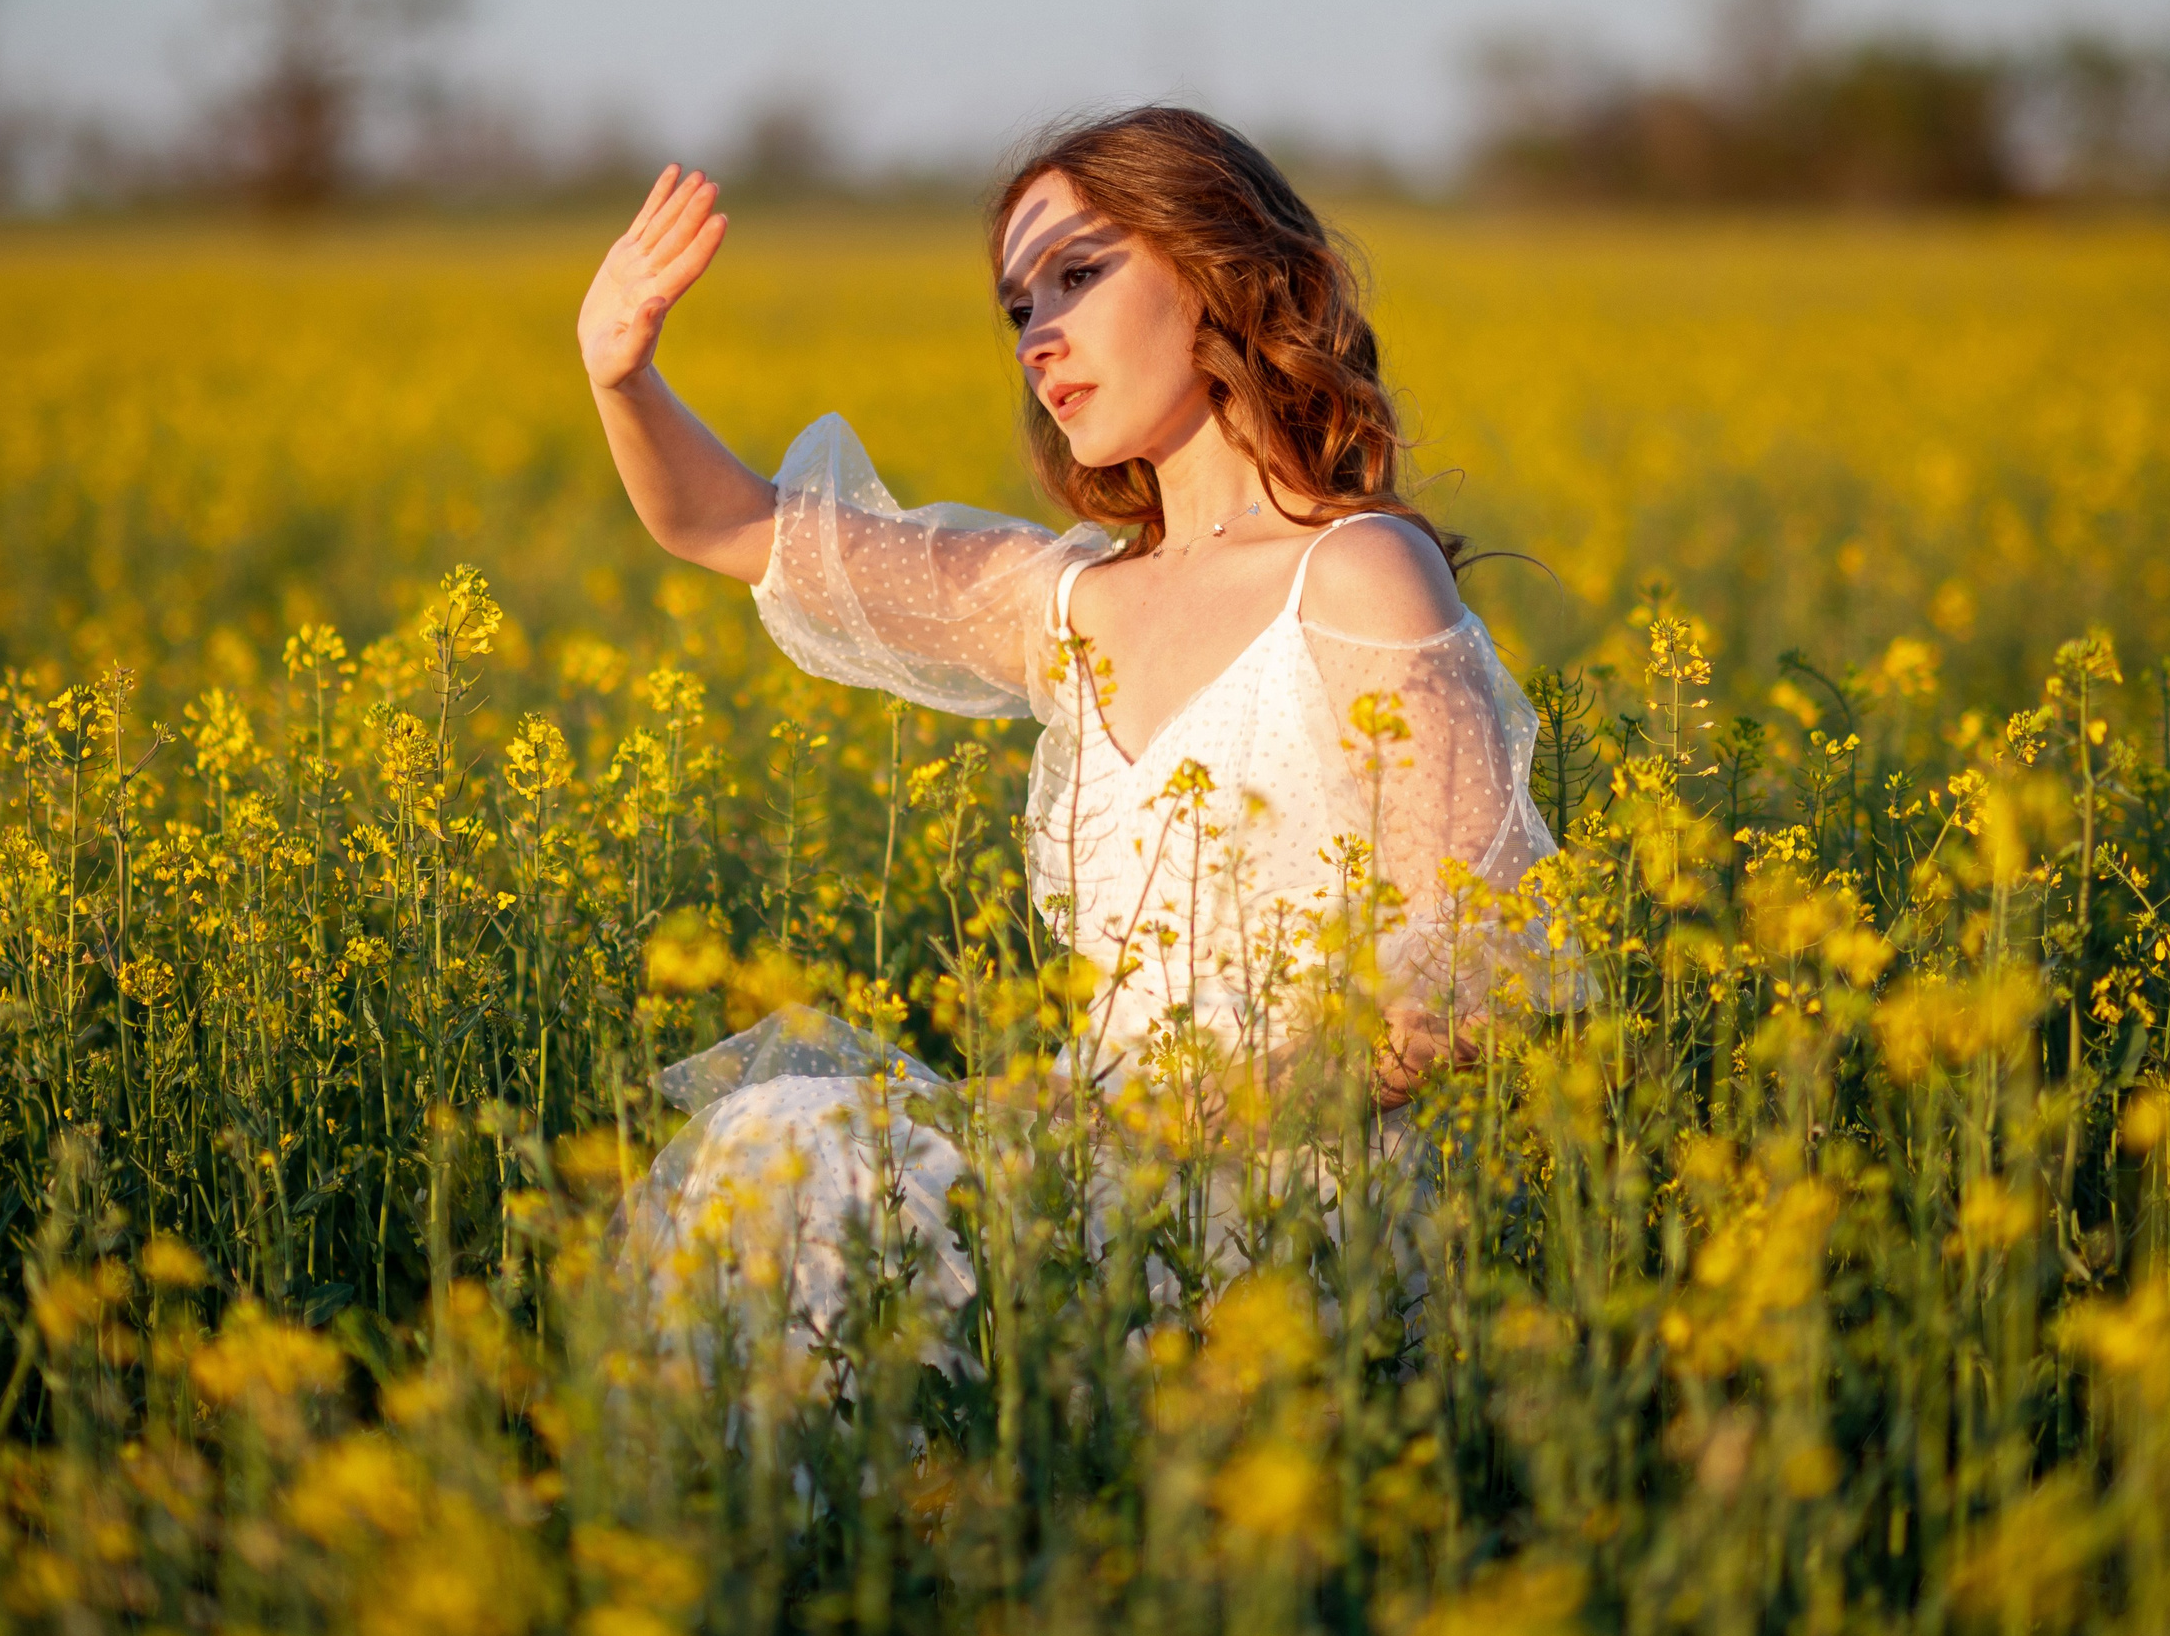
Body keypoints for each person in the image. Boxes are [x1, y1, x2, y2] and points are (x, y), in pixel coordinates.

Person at [579, 106, 1559, 1360]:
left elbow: (1475, 985)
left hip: (1295, 1209)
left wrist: (1175, 1117)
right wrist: (622, 373)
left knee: (828, 1179)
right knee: (776, 1147)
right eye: (1017, 307)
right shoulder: (1075, 603)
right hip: (1107, 1165)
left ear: (1218, 274)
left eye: (1079, 275)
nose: (1040, 336)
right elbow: (736, 529)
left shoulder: (1359, 574)